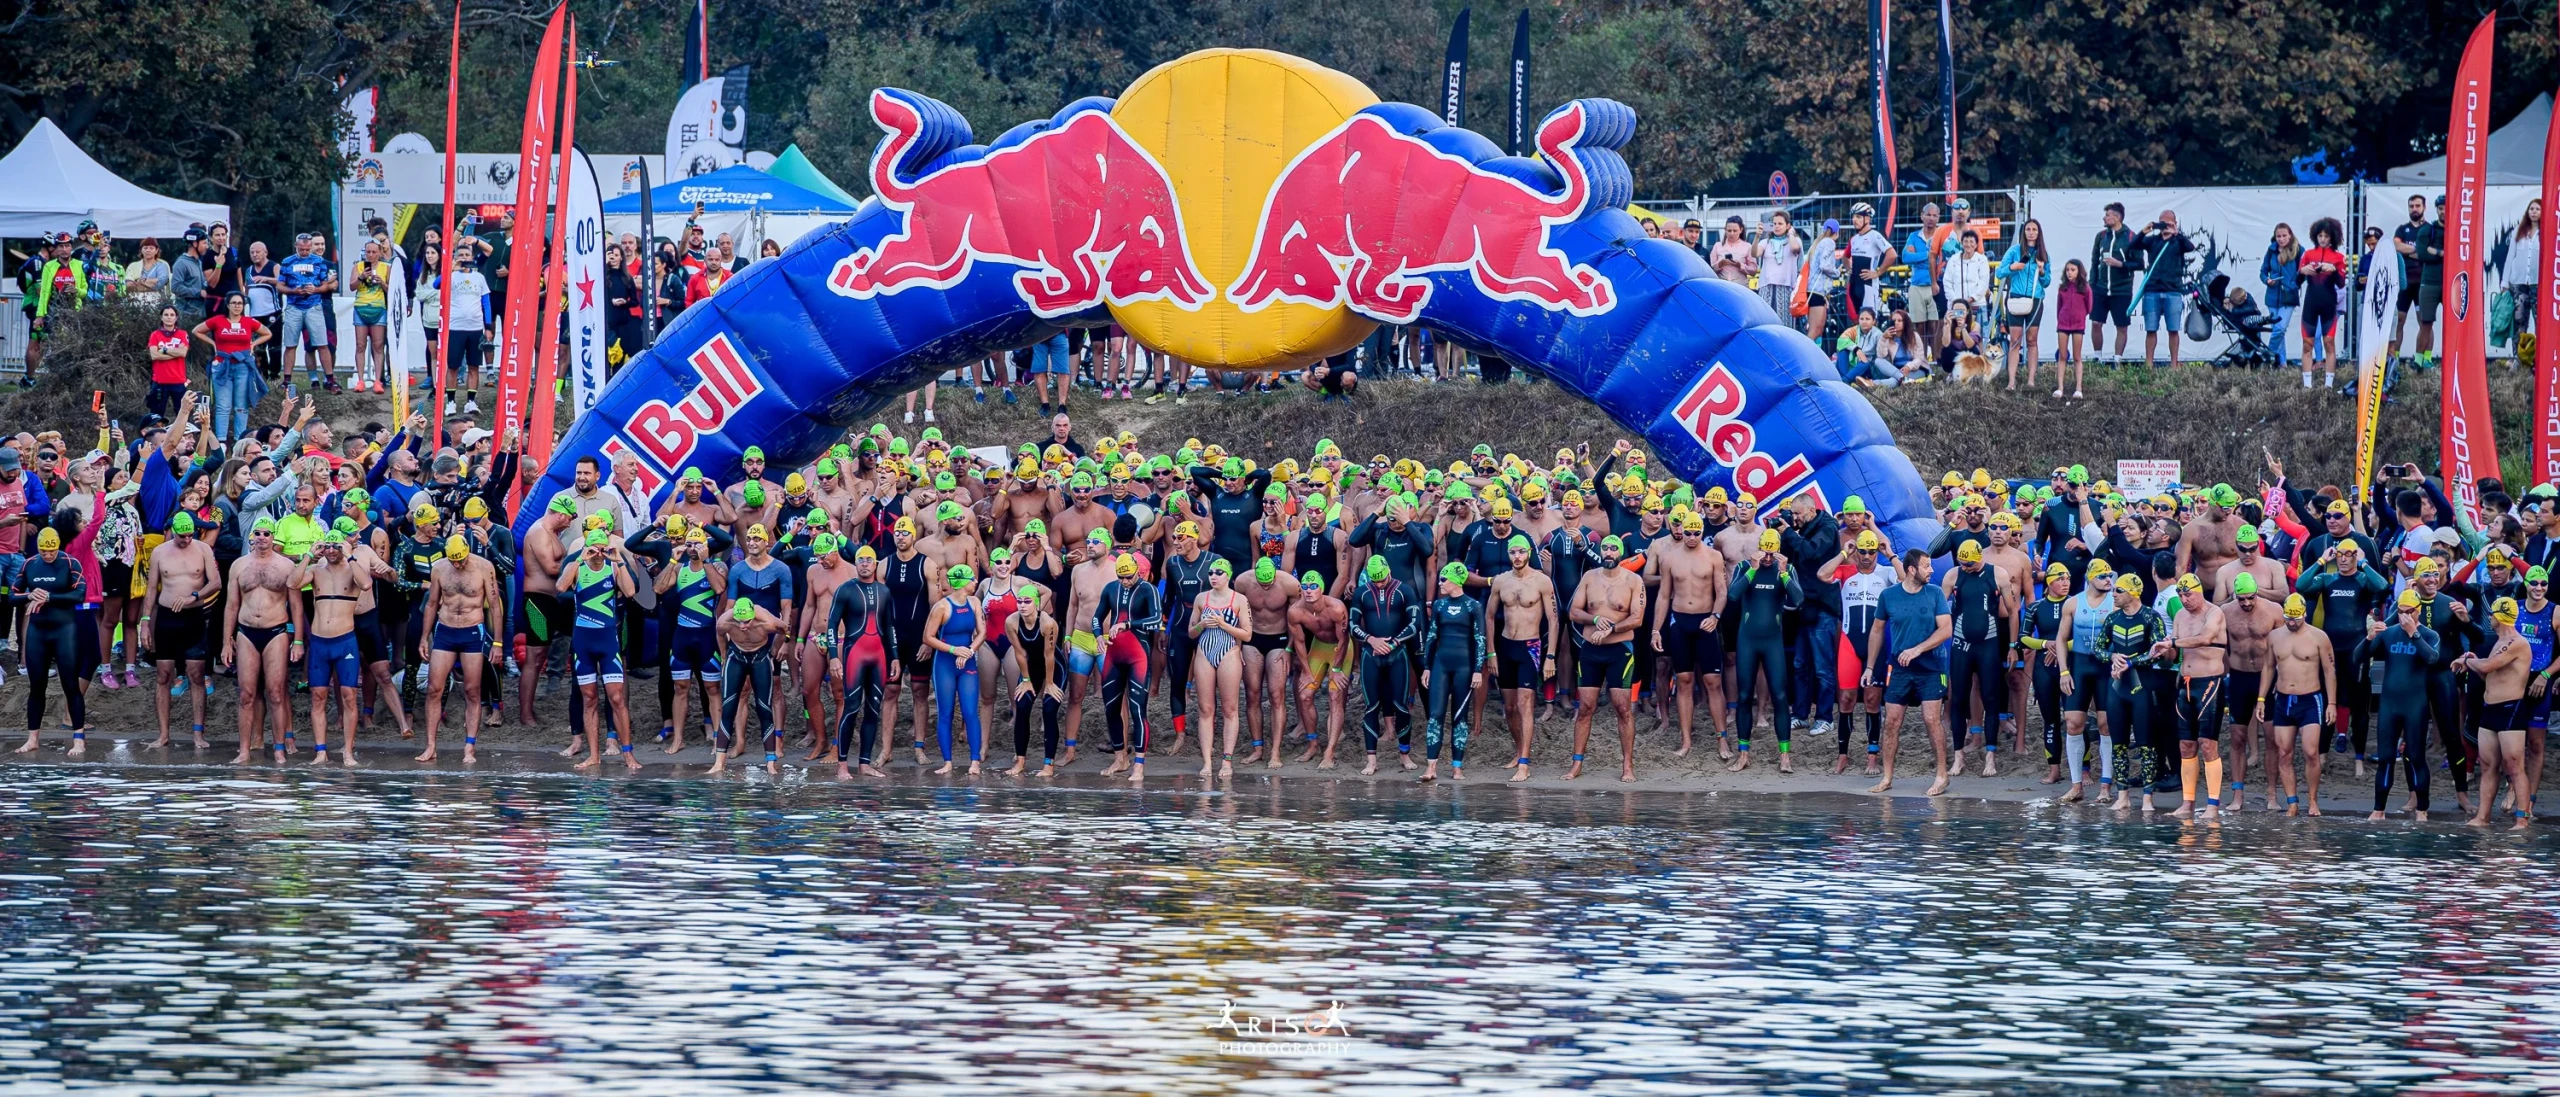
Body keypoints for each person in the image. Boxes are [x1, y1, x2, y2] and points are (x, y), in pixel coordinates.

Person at [1567, 535, 1645, 781]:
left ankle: (1628, 765)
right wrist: (1596, 619)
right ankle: (1577, 763)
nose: (1609, 552)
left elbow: (1637, 619)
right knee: (1585, 708)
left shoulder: (1633, 580)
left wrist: (1611, 628)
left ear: (1621, 553)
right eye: (1605, 548)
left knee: (1623, 709)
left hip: (1619, 650)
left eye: (1613, 548)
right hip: (1591, 650)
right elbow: (1574, 612)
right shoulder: (1590, 577)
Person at [562, 528, 641, 772]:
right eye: (594, 549)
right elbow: (561, 586)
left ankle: (628, 754)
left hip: (607, 642)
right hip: (583, 643)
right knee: (589, 699)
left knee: (617, 698)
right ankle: (594, 756)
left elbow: (630, 592)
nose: (598, 554)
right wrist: (579, 559)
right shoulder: (578, 567)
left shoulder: (613, 566)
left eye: (602, 549)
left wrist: (619, 560)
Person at [418, 533, 499, 765]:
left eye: (461, 560)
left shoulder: (484, 567)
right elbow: (432, 603)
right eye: (454, 561)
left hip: (472, 631)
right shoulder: (440, 568)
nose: (458, 565)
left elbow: (495, 605)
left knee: (472, 690)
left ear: (467, 553)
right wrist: (424, 638)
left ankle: (469, 747)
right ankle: (431, 746)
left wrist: (498, 642)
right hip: (445, 630)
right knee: (434, 688)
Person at [2357, 589, 2438, 821]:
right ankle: (2378, 809)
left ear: (2418, 610)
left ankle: (2422, 809)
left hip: (2415, 705)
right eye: (2401, 612)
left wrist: (2414, 634)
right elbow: (2357, 657)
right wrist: (2369, 638)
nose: (2404, 617)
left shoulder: (2429, 635)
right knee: (2385, 758)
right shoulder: (2389, 633)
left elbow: (2432, 658)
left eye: (2409, 612)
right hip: (2390, 704)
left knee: (2416, 756)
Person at [141, 509, 219, 749]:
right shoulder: (160, 552)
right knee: (163, 675)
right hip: (167, 619)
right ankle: (163, 735)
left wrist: (193, 596)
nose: (186, 540)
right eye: (181, 536)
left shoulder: (203, 549)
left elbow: (216, 582)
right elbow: (151, 589)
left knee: (196, 675)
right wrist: (145, 623)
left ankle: (198, 734)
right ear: (173, 531)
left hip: (193, 617)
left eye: (189, 535)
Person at [10, 527, 86, 755]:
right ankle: (33, 738)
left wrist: (50, 597)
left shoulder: (70, 562)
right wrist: (29, 595)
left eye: (52, 551)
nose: (48, 555)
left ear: (58, 546)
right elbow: (12, 595)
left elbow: (80, 594)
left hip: (65, 631)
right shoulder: (30, 564)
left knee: (70, 685)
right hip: (38, 632)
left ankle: (79, 739)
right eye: (44, 551)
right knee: (36, 686)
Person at [2262, 594, 2336, 816]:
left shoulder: (2319, 637)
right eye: (2288, 618)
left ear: (2304, 614)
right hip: (2284, 700)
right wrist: (2261, 698)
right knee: (2284, 753)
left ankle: (2312, 801)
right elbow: (2268, 667)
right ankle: (2292, 802)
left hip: (2310, 700)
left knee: (2311, 752)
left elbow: (2329, 671)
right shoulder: (2274, 636)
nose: (2291, 622)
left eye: (2296, 618)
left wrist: (2332, 703)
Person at [2099, 574, 2168, 811]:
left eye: (2118, 590)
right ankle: (2122, 796)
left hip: (2142, 686)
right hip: (2117, 688)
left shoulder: (2151, 617)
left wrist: (2130, 662)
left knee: (2146, 744)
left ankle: (2148, 798)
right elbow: (2098, 648)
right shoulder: (2113, 618)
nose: (2113, 594)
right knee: (2118, 743)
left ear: (2133, 592)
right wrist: (2112, 656)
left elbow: (2156, 652)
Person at [297, 531, 366, 765]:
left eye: (336, 546)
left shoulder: (352, 569)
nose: (332, 551)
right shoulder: (316, 570)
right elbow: (292, 583)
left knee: (349, 696)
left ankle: (348, 751)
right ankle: (320, 752)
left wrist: (351, 555)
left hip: (344, 641)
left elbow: (366, 584)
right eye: (328, 546)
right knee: (318, 697)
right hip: (319, 642)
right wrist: (308, 555)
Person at [1188, 557, 1249, 777]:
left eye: (1218, 573)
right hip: (1205, 651)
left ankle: (1227, 761)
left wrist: (1223, 624)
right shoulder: (1201, 598)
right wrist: (1202, 624)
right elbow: (1191, 633)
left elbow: (1247, 634)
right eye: (1211, 573)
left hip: (1229, 652)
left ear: (1228, 576)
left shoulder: (1239, 599)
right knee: (1205, 709)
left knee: (1229, 709)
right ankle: (1206, 762)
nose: (1213, 576)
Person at [714, 598, 790, 775]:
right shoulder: (724, 621)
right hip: (736, 656)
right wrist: (724, 656)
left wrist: (774, 650)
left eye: (747, 622)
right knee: (728, 708)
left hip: (760, 657)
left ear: (753, 616)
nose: (742, 627)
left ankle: (770, 763)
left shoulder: (767, 621)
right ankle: (719, 763)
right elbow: (720, 634)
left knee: (764, 709)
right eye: (739, 622)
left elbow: (785, 629)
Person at [191, 294, 270, 443]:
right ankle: (221, 441)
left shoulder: (248, 321)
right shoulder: (218, 320)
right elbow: (197, 330)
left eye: (240, 303)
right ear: (227, 305)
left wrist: (253, 344)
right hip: (222, 365)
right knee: (223, 406)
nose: (237, 306)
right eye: (234, 303)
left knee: (241, 406)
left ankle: (240, 440)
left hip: (243, 366)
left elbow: (267, 333)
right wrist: (213, 343)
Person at [277, 234, 338, 392]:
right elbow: (280, 285)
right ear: (296, 246)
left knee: (323, 344)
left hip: (314, 306)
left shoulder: (319, 261)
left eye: (307, 249)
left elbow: (326, 285)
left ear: (311, 247)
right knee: (290, 344)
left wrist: (315, 289)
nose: (304, 252)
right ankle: (286, 380)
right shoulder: (287, 261)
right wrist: (293, 291)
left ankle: (330, 379)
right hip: (294, 306)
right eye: (301, 249)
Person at [2390, 194, 2444, 366]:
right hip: (2405, 282)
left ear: (2424, 208)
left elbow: (2425, 253)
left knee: (2425, 321)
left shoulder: (2430, 228)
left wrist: (2418, 251)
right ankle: (2395, 359)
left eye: (2417, 206)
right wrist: (2420, 250)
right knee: (2399, 320)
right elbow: (2396, 245)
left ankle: (2425, 359)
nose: (2414, 209)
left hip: (2423, 282)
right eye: (2411, 206)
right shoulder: (2402, 229)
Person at [1997, 219, 2050, 391]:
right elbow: (1999, 272)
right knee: (2015, 340)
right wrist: (2013, 267)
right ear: (2024, 232)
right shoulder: (2014, 250)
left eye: (2034, 229)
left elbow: (2047, 282)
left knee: (2032, 340)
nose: (2031, 232)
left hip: (2035, 300)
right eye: (2028, 229)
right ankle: (2011, 381)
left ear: (2039, 233)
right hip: (2016, 298)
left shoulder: (2043, 254)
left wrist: (2041, 271)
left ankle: (2031, 381)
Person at [2135, 210, 2192, 368]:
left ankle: (2174, 364)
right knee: (2150, 329)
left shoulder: (2178, 242)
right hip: (2152, 290)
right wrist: (2144, 231)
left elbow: (2190, 247)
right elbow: (2134, 245)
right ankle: (2149, 365)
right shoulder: (2152, 241)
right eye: (2162, 222)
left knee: (2173, 330)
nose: (2165, 225)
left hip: (2173, 291)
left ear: (2175, 223)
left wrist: (2176, 233)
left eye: (2168, 222)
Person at [2298, 218, 2349, 389]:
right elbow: (2296, 281)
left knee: (2329, 343)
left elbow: (2341, 284)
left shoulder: (2339, 257)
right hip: (2310, 304)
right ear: (2315, 236)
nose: (2323, 239)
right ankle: (2307, 386)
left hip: (2328, 304)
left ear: (2332, 237)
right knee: (2307, 345)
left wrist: (2333, 270)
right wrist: (2302, 272)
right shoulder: (2308, 255)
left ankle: (2328, 385)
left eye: (2326, 236)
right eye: (2320, 236)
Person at [348, 239, 392, 393]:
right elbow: (351, 287)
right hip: (361, 307)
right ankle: (360, 380)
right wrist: (361, 277)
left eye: (374, 252)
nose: (371, 255)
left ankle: (378, 381)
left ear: (380, 253)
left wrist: (382, 283)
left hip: (378, 308)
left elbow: (392, 290)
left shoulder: (386, 268)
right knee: (360, 345)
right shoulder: (358, 266)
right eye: (368, 252)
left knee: (378, 346)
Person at [2260, 223, 2303, 374]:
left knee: (2280, 328)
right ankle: (2282, 363)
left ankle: (2267, 356)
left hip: (2288, 296)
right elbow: (2263, 271)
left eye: (2284, 236)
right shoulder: (2271, 250)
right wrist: (2267, 280)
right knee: (2278, 330)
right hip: (2272, 296)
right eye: (2278, 236)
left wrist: (2293, 285)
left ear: (2290, 235)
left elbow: (2302, 272)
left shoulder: (2298, 250)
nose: (2281, 239)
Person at [2052, 260, 2091, 398]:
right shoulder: (2062, 288)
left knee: (2077, 357)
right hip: (2063, 324)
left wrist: (2079, 316)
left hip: (2078, 325)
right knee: (2062, 356)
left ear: (2079, 271)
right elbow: (2059, 306)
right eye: (2067, 270)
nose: (2069, 273)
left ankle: (2078, 388)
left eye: (2073, 270)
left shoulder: (2085, 288)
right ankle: (2060, 388)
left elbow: (2089, 307)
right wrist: (2061, 319)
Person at [145, 306, 191, 417]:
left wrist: (163, 350)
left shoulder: (182, 334)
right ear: (161, 317)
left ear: (176, 318)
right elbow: (154, 355)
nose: (169, 317)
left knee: (183, 414)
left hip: (178, 381)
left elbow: (182, 353)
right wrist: (175, 353)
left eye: (172, 315)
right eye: (166, 315)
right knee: (156, 415)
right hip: (159, 381)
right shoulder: (155, 335)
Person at [1707, 217, 1756, 285]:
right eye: (1729, 230)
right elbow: (1710, 270)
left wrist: (1740, 266)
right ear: (1725, 230)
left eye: (1735, 231)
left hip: (1740, 286)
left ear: (1741, 230)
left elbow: (1753, 270)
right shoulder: (1717, 246)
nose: (1732, 233)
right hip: (1722, 285)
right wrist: (1720, 264)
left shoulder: (1747, 247)